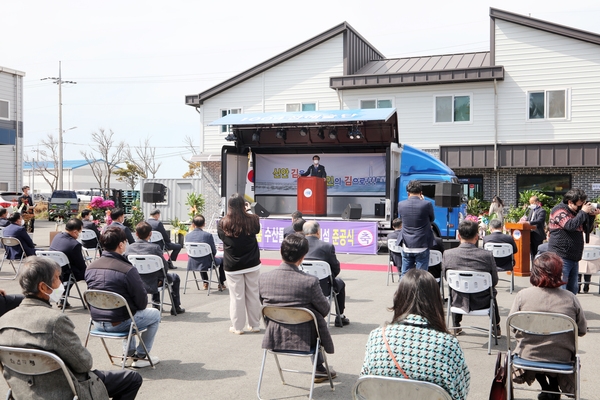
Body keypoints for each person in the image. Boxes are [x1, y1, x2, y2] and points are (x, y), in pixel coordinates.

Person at [0, 256, 142, 399]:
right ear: (43, 287)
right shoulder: (55, 321)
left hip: (22, 391)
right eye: (57, 278)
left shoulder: (4, 320)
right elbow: (84, 364)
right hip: (64, 389)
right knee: (132, 379)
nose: (61, 283)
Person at [361, 269, 470, 400]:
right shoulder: (448, 345)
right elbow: (460, 392)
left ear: (398, 298)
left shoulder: (376, 337)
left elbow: (364, 387)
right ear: (435, 301)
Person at [259, 233, 337, 383]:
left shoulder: (264, 278)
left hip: (275, 336)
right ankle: (319, 368)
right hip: (306, 338)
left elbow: (264, 305)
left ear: (281, 252)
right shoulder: (310, 281)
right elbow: (325, 309)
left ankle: (319, 368)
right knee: (314, 318)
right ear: (303, 257)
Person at [509, 252, 586, 398]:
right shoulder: (570, 298)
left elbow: (513, 326)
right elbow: (581, 330)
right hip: (561, 357)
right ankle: (551, 388)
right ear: (560, 273)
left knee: (535, 344)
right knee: (552, 346)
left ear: (535, 272)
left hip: (528, 355)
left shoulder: (523, 296)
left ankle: (547, 388)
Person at [85, 227, 161, 368]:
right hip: (119, 323)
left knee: (128, 313)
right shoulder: (127, 269)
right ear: (121, 245)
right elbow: (142, 303)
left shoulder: (90, 267)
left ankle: (128, 356)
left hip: (96, 321)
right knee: (154, 314)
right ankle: (141, 356)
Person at [443, 219, 500, 336]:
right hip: (483, 300)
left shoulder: (448, 254)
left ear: (458, 236)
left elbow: (446, 278)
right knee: (492, 292)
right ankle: (496, 327)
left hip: (457, 300)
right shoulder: (487, 255)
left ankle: (455, 325)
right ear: (477, 237)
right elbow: (494, 281)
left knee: (455, 289)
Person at [218, 193, 262, 334]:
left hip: (232, 265)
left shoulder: (223, 222)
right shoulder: (253, 219)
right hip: (252, 262)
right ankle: (255, 325)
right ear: (244, 205)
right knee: (253, 294)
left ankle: (237, 327)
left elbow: (223, 238)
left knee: (237, 297)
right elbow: (257, 229)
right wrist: (248, 211)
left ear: (229, 206)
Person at [124, 221, 185, 315]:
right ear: (150, 234)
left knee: (154, 273)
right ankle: (175, 307)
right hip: (155, 282)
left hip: (136, 281)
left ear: (136, 234)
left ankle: (156, 304)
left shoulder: (129, 248)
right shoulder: (155, 248)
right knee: (174, 277)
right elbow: (164, 267)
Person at [547, 188, 600, 294]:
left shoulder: (577, 212)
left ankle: (570, 309)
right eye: (579, 205)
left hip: (573, 257)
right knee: (561, 289)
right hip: (560, 256)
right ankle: (560, 310)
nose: (581, 207)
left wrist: (590, 216)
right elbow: (569, 225)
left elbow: (587, 230)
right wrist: (583, 212)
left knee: (572, 290)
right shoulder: (559, 210)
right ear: (570, 202)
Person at [303, 220, 349, 327]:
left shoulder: (298, 245)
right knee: (340, 283)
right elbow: (336, 269)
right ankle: (340, 316)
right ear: (318, 232)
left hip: (301, 285)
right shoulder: (327, 246)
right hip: (324, 287)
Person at [396, 180, 435, 275]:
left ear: (408, 193)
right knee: (421, 276)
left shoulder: (401, 204)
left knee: (405, 274)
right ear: (421, 192)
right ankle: (420, 290)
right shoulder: (427, 204)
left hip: (407, 244)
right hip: (422, 244)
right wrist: (422, 200)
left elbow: (402, 219)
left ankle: (404, 290)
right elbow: (432, 218)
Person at [49, 218, 88, 309]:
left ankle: (61, 298)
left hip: (53, 269)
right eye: (80, 231)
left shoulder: (57, 236)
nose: (80, 234)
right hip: (66, 271)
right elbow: (81, 265)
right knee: (89, 274)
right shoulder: (74, 244)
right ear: (75, 232)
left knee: (67, 277)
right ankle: (91, 300)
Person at [184, 214, 226, 291]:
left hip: (193, 261)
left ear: (193, 224)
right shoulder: (208, 235)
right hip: (208, 262)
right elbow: (213, 251)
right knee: (223, 260)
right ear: (204, 224)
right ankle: (221, 283)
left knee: (200, 255)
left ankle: (205, 282)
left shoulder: (187, 236)